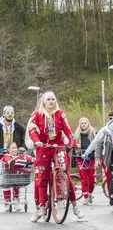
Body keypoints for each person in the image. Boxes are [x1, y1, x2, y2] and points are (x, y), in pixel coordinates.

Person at [28, 91, 84, 222]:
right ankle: (41, 206)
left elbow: (68, 130)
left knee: (65, 174)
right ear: (43, 101)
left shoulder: (60, 114)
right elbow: (32, 130)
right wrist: (36, 141)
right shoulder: (37, 115)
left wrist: (74, 142)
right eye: (48, 99)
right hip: (43, 148)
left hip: (58, 147)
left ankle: (75, 206)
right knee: (42, 178)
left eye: (53, 99)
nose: (51, 102)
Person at [2, 142, 34, 211]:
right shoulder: (6, 155)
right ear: (8, 149)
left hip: (17, 175)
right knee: (6, 186)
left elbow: (27, 156)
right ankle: (7, 202)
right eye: (13, 148)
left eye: (16, 148)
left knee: (17, 184)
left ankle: (16, 200)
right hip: (7, 175)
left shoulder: (19, 156)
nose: (15, 149)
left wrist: (32, 159)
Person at [73, 117, 97, 204]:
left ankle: (90, 192)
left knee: (91, 178)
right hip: (80, 158)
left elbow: (96, 146)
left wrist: (88, 155)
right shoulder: (76, 134)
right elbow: (74, 147)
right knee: (84, 178)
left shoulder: (93, 133)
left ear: (88, 123)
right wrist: (79, 155)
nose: (83, 125)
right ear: (80, 124)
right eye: (82, 123)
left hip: (91, 157)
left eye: (85, 123)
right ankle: (86, 196)